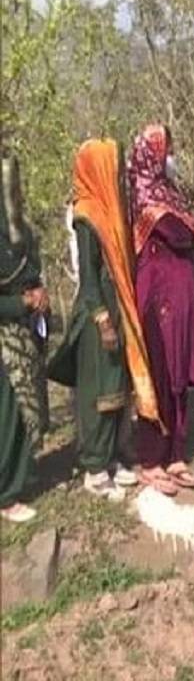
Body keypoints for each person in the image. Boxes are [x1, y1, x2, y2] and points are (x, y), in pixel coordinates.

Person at [49, 140, 160, 498]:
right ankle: (94, 467)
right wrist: (101, 318)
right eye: (110, 166)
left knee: (117, 387)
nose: (116, 173)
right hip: (97, 313)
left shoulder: (112, 210)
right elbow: (89, 275)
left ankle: (113, 457)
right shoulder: (86, 214)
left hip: (118, 306)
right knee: (99, 392)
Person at [128, 124, 194, 492]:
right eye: (167, 150)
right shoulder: (144, 195)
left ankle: (176, 452)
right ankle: (150, 457)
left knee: (179, 373)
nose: (170, 157)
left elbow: (192, 232)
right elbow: (179, 233)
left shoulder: (170, 193)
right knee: (158, 374)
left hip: (180, 296)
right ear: (153, 154)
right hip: (156, 297)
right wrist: (190, 225)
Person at [0, 153, 48, 522]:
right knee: (8, 413)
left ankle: (22, 476)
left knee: (24, 408)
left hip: (23, 331)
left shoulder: (20, 232)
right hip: (5, 337)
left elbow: (28, 270)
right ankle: (7, 494)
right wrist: (20, 303)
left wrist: (38, 294)